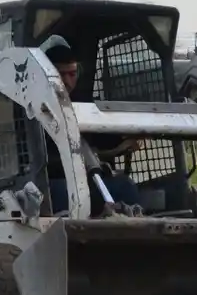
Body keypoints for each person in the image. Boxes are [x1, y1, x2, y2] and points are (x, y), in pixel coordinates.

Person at [38, 35, 143, 215]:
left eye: (72, 74)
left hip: (89, 179)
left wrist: (126, 139)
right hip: (54, 181)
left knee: (126, 187)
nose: (67, 82)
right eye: (60, 75)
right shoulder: (33, 105)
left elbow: (100, 139)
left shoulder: (82, 103)